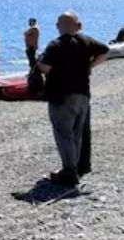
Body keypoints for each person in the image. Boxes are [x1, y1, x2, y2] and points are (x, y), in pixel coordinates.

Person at [37, 12, 109, 186]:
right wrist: (89, 66)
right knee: (77, 133)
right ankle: (74, 167)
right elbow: (106, 51)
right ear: (76, 25)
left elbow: (44, 66)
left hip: (61, 94)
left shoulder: (56, 45)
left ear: (59, 26)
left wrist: (54, 73)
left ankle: (69, 171)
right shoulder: (85, 41)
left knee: (63, 134)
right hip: (82, 93)